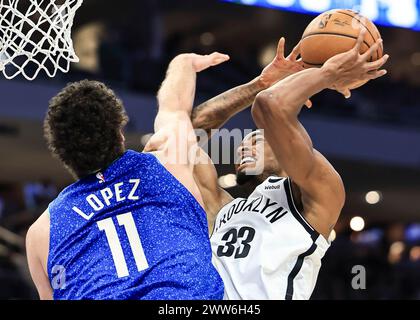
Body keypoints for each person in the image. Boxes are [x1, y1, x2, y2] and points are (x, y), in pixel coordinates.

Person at [188, 30, 389, 299]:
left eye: (257, 139)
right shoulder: (223, 206)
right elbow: (184, 134)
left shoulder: (319, 192)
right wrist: (259, 84)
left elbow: (270, 106)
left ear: (284, 145)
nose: (244, 146)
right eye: (243, 144)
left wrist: (326, 74)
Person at [25, 52, 230, 300]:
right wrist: (185, 63)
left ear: (62, 153)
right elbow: (175, 107)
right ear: (120, 133)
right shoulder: (167, 163)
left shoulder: (42, 231)